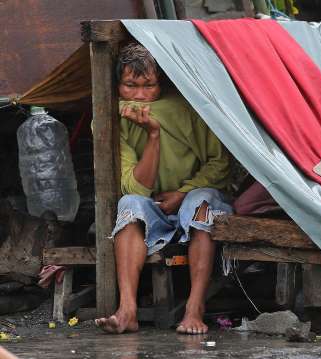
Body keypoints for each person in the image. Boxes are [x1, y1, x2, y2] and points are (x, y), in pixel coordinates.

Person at [95, 43, 232, 334]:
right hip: (152, 205)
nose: (141, 96)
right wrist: (153, 135)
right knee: (129, 204)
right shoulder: (111, 119)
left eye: (149, 86)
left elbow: (219, 165)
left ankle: (195, 309)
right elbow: (135, 187)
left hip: (191, 196)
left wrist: (183, 193)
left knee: (201, 202)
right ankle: (127, 309)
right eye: (130, 86)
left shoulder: (188, 110)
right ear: (117, 84)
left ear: (163, 84)